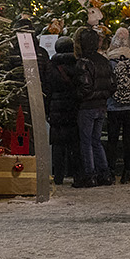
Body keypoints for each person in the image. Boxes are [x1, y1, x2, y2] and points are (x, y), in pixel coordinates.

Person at [72, 27, 114, 187]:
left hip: (87, 106)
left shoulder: (83, 62)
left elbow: (85, 86)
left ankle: (90, 175)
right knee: (96, 141)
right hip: (101, 105)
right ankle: (104, 173)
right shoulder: (103, 61)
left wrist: (79, 96)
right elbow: (112, 84)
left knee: (86, 141)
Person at [104, 27, 130, 184]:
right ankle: (127, 171)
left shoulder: (110, 60)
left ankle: (111, 170)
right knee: (128, 139)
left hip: (114, 105)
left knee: (112, 139)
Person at [42, 35, 81, 185]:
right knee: (74, 142)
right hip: (73, 106)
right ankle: (76, 174)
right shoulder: (77, 64)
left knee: (58, 144)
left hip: (56, 108)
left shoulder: (51, 66)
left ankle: (58, 176)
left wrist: (47, 109)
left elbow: (47, 89)